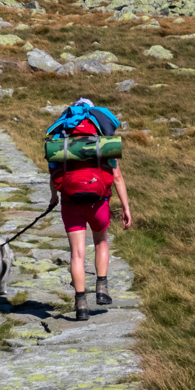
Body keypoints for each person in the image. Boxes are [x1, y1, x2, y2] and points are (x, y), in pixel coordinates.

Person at [47, 99, 132, 320]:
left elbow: (53, 174)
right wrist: (126, 207)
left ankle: (81, 305)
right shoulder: (102, 142)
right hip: (98, 203)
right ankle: (102, 288)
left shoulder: (63, 141)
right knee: (101, 242)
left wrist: (54, 197)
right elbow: (118, 177)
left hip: (70, 203)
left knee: (77, 254)